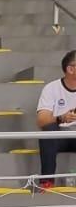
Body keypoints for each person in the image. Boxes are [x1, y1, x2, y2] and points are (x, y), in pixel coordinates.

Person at [34, 48, 76, 190]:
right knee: (48, 130)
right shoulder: (51, 88)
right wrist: (61, 118)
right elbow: (41, 120)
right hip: (59, 136)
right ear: (70, 69)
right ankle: (47, 184)